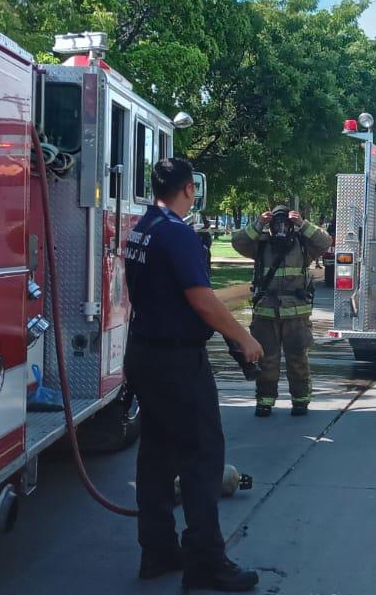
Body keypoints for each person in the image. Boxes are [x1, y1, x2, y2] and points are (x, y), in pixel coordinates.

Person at [123, 158, 263, 591]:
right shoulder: (177, 233)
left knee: (158, 456)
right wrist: (244, 338)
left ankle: (158, 551)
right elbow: (201, 300)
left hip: (145, 354)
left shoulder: (142, 228)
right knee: (203, 459)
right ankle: (206, 562)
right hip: (177, 363)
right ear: (189, 189)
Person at [232, 203, 331, 417]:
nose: (280, 227)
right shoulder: (261, 245)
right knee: (266, 358)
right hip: (266, 311)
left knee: (297, 358)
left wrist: (302, 223)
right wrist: (259, 223)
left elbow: (325, 242)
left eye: (284, 222)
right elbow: (238, 242)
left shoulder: (303, 245)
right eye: (276, 222)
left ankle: (300, 401)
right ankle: (265, 401)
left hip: (296, 313)